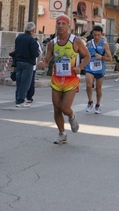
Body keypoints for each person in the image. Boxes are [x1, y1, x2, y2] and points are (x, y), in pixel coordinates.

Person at [37, 14, 90, 144]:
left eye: (63, 23)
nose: (60, 26)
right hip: (57, 79)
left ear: (68, 26)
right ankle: (62, 134)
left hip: (71, 79)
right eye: (58, 23)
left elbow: (87, 56)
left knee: (65, 108)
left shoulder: (76, 41)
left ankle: (71, 116)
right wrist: (43, 63)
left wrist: (80, 67)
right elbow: (47, 59)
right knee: (56, 108)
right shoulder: (52, 43)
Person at [85, 25, 112, 114]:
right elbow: (84, 54)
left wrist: (102, 57)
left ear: (101, 35)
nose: (96, 37)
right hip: (90, 67)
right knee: (89, 85)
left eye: (98, 35)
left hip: (100, 68)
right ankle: (90, 102)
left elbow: (110, 58)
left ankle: (98, 104)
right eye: (95, 35)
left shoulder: (104, 44)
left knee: (98, 88)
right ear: (92, 34)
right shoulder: (89, 43)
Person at [14, 22, 39, 107]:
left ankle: (17, 97)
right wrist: (37, 53)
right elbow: (34, 54)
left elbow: (16, 50)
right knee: (25, 83)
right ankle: (20, 101)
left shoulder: (19, 37)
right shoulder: (32, 40)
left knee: (19, 82)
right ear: (32, 30)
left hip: (19, 62)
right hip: (28, 63)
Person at [26, 37, 43, 103]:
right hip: (32, 65)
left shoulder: (21, 40)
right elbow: (39, 52)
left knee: (22, 81)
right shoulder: (35, 42)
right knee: (30, 81)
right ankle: (29, 97)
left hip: (22, 63)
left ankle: (19, 96)